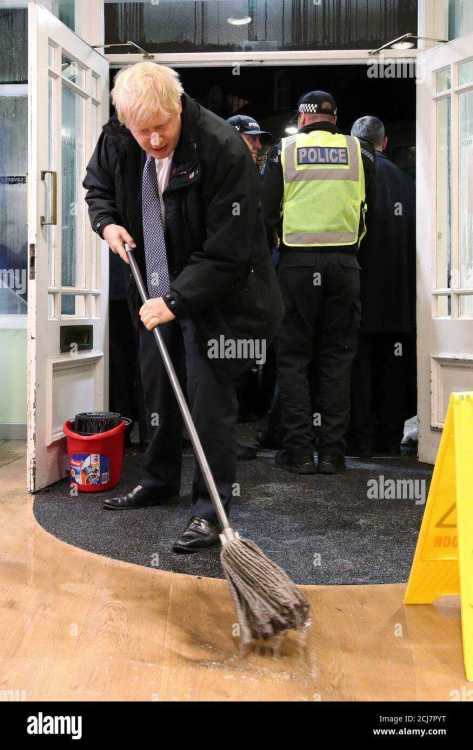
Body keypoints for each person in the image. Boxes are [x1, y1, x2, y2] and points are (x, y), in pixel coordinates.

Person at [83, 62, 284, 552]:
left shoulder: (221, 148)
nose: (153, 140)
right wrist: (108, 224)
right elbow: (98, 190)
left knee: (208, 400)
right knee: (157, 385)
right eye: (142, 130)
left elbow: (229, 250)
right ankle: (157, 479)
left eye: (162, 128)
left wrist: (176, 299)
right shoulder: (119, 139)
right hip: (153, 282)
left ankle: (210, 512)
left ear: (179, 107)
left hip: (219, 293)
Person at [263, 90, 375, 475]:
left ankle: (297, 453)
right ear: (335, 117)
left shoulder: (285, 150)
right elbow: (369, 208)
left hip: (295, 264)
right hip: (345, 264)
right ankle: (332, 454)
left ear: (303, 117)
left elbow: (266, 209)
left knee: (293, 359)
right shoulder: (359, 151)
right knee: (337, 359)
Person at [348, 116, 416, 457]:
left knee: (359, 369)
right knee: (393, 368)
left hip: (360, 289)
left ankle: (361, 441)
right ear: (384, 142)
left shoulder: (353, 174)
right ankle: (389, 439)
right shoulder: (406, 181)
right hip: (400, 296)